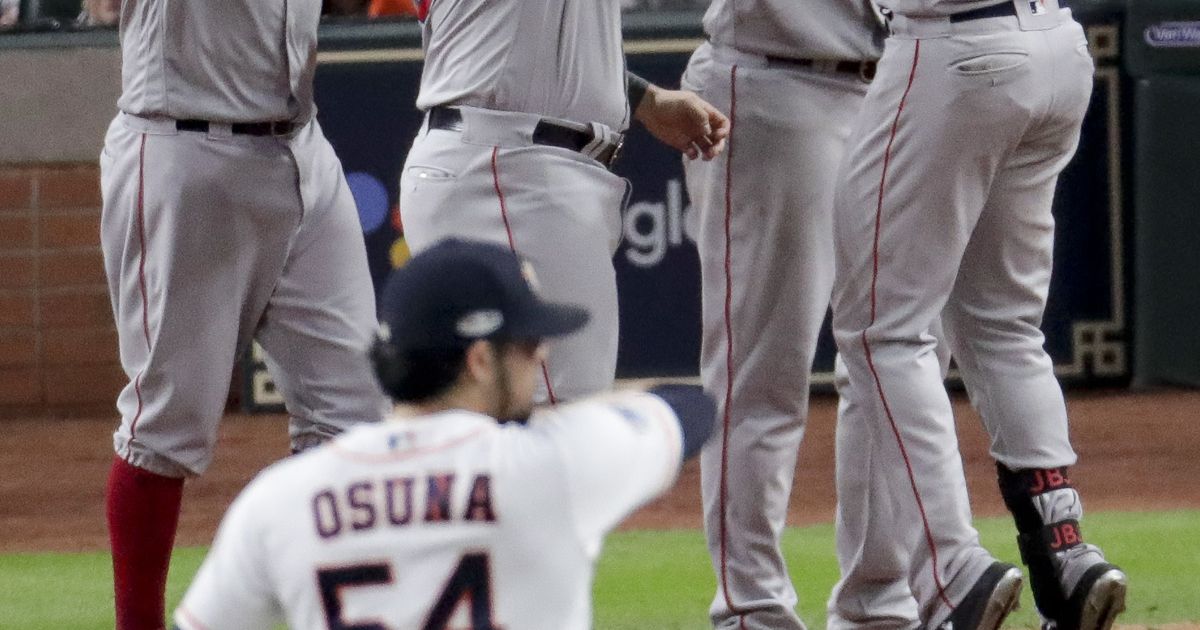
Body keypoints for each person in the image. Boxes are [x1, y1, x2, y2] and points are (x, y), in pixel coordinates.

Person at [170, 239, 717, 630]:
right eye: (527, 343)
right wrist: (552, 426)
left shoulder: (281, 498)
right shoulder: (554, 467)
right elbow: (690, 407)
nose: (541, 354)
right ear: (479, 360)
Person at [828, 0, 1127, 628]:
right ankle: (1064, 553)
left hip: (954, 48)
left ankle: (952, 570)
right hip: (1056, 47)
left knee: (883, 332)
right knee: (1005, 328)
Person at [99, 1, 389, 627]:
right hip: (186, 147)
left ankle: (322, 608)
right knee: (165, 427)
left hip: (301, 146)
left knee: (357, 417)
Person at [398, 0, 730, 404]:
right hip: (507, 168)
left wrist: (645, 99)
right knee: (557, 412)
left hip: (506, 157)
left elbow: (522, 49)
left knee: (527, 411)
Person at [677, 1, 886, 628]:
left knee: (892, 366)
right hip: (776, 79)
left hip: (901, 85)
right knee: (760, 373)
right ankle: (752, 609)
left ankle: (880, 603)